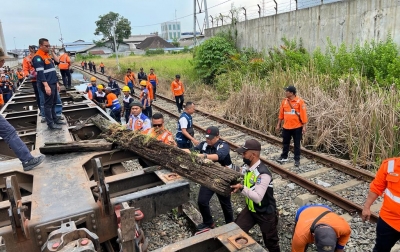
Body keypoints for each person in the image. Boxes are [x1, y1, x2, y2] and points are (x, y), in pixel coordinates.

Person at [231, 139, 281, 252]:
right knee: (236, 230)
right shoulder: (248, 167)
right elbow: (241, 172)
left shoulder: (263, 174)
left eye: (244, 153)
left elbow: (258, 197)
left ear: (253, 155)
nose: (242, 155)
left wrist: (241, 188)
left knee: (271, 243)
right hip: (251, 210)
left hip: (265, 214)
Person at [189, 126, 234, 231]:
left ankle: (230, 224)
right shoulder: (203, 144)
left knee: (225, 203)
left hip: (223, 178)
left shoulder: (223, 145)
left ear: (217, 136)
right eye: (207, 138)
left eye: (210, 138)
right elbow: (192, 151)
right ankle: (208, 223)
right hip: (209, 177)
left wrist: (202, 156)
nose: (208, 140)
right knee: (202, 201)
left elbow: (219, 157)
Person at [362, 157, 400, 252]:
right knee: (380, 249)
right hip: (388, 220)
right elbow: (376, 187)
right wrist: (366, 207)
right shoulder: (390, 165)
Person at [32, 38, 66, 130]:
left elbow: (57, 62)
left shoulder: (47, 55)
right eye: (46, 46)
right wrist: (46, 86)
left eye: (49, 45)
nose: (48, 47)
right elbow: (41, 74)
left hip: (53, 82)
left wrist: (56, 83)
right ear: (40, 46)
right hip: (46, 84)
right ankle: (50, 124)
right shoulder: (38, 57)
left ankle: (55, 119)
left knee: (54, 102)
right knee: (48, 104)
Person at [275, 85, 308, 167]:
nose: (285, 93)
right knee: (285, 142)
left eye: (287, 91)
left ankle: (297, 159)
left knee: (297, 144)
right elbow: (281, 114)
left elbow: (303, 115)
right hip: (286, 126)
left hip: (297, 127)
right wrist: (278, 124)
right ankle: (284, 156)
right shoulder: (284, 101)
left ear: (291, 93)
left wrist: (304, 126)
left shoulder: (300, 102)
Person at [23, 45, 40, 110]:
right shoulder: (26, 59)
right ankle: (41, 110)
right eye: (31, 49)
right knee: (38, 95)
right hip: (35, 80)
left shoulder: (39, 56)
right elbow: (25, 69)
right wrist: (28, 75)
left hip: (43, 78)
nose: (32, 50)